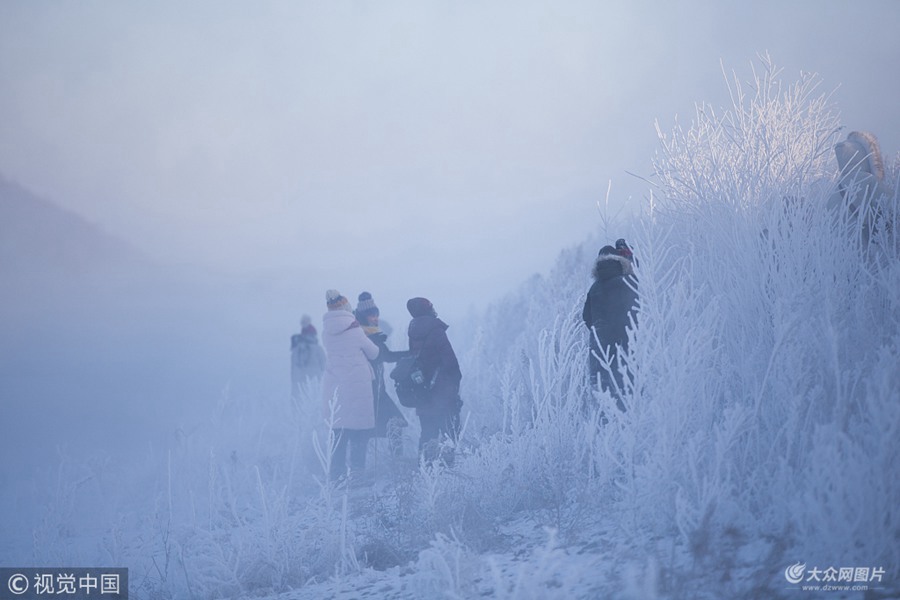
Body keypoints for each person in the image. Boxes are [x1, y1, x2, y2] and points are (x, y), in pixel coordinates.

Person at [321, 290, 380, 482]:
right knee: (358, 434)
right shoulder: (355, 330)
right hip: (357, 388)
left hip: (335, 387)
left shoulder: (326, 332)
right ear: (347, 309)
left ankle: (336, 476)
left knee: (339, 435)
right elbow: (374, 353)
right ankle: (357, 476)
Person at [405, 297, 462, 465]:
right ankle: (450, 469)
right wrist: (455, 386)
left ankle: (425, 468)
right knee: (450, 433)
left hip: (423, 391)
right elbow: (451, 363)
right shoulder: (436, 330)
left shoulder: (413, 332)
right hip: (443, 392)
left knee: (428, 433)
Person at [582, 243, 639, 406]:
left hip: (599, 351)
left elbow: (586, 317)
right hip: (626, 348)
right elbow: (644, 290)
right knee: (629, 398)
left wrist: (600, 330)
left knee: (603, 403)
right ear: (620, 262)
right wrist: (630, 257)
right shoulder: (628, 281)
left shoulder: (594, 288)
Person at [354, 292, 408, 456]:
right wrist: (411, 354)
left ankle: (361, 466)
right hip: (370, 392)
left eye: (376, 314)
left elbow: (385, 356)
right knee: (391, 425)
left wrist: (410, 355)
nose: (376, 318)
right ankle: (394, 462)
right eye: (372, 315)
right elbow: (384, 356)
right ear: (363, 316)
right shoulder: (362, 335)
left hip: (376, 391)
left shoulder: (370, 332)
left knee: (369, 431)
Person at [290, 315, 326, 400]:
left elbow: (293, 367)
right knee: (314, 398)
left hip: (301, 381)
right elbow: (324, 365)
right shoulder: (318, 349)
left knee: (301, 399)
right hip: (315, 380)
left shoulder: (297, 349)